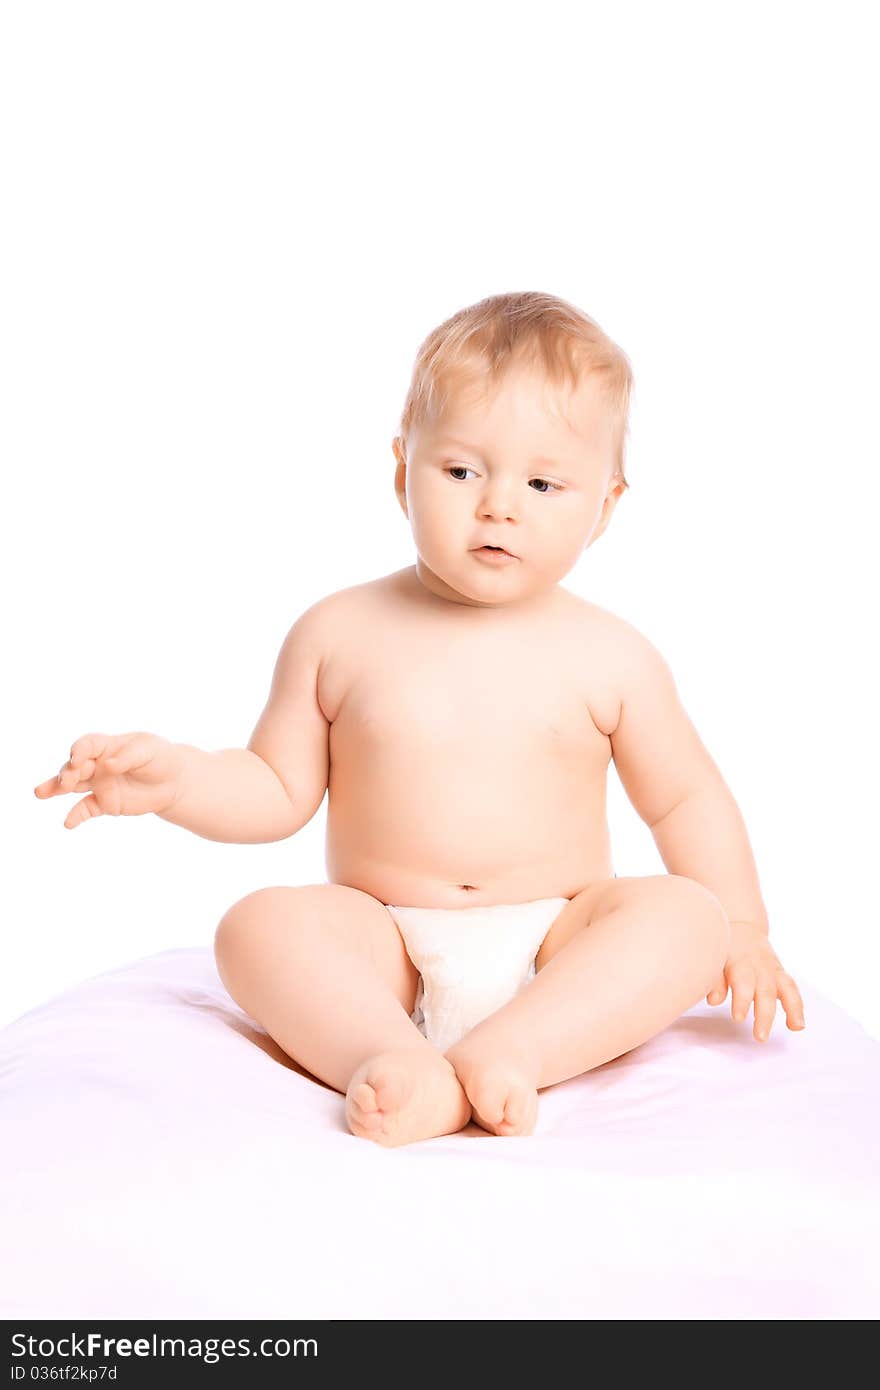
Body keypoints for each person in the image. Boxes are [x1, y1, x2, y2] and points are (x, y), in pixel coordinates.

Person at [34, 290, 805, 1149]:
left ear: (606, 505)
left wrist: (743, 928)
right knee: (258, 927)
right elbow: (276, 790)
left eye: (544, 483)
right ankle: (390, 1059)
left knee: (682, 919)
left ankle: (515, 1048)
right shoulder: (337, 634)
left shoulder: (611, 655)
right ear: (404, 471)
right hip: (387, 945)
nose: (499, 506)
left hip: (559, 941)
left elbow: (685, 800)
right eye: (462, 471)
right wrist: (176, 779)